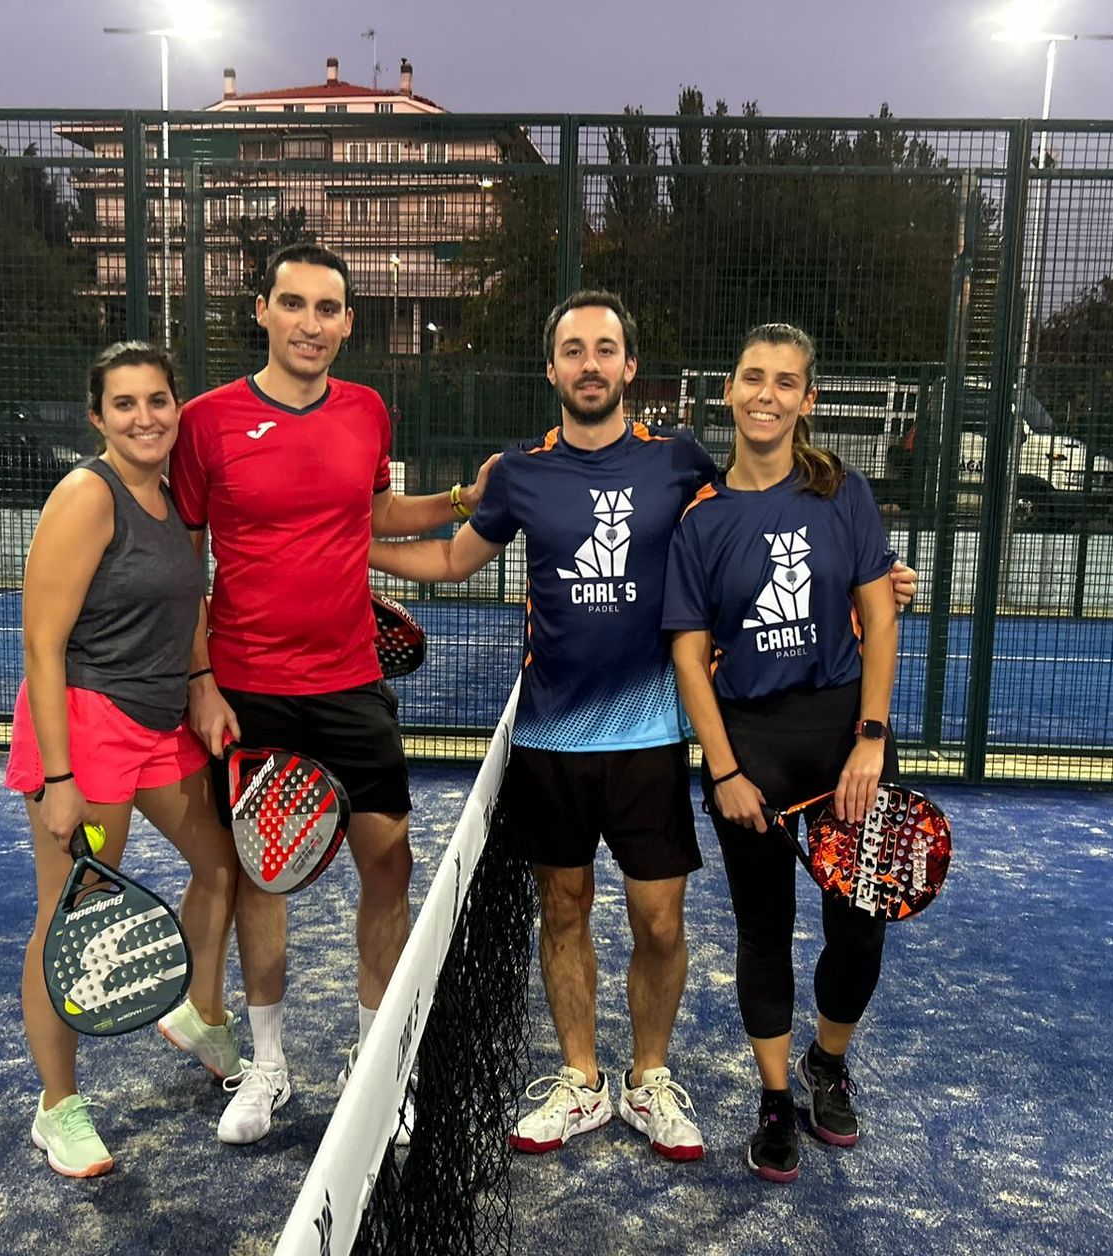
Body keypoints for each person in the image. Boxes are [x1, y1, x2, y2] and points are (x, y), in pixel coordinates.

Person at [370, 291, 917, 1165]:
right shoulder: (518, 472)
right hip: (550, 738)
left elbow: (773, 513)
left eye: (607, 349)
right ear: (551, 368)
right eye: (573, 351)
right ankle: (582, 1079)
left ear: (630, 367)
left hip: (654, 734)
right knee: (564, 908)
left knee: (662, 924)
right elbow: (446, 556)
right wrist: (338, 540)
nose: (590, 364)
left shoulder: (683, 463)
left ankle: (650, 1078)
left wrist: (883, 578)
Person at [164, 242, 482, 1145]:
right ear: (261, 310)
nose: (312, 323)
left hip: (351, 682)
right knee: (265, 876)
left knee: (389, 861)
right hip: (250, 688)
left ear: (348, 321)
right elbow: (187, 564)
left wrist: (463, 497)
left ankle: (373, 1061)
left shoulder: (368, 411)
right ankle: (267, 1067)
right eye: (295, 304)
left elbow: (375, 516)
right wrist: (198, 679)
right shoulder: (207, 422)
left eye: (330, 308)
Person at [663, 323, 900, 1184]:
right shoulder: (701, 522)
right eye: (753, 377)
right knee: (765, 931)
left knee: (859, 927)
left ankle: (826, 1063)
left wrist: (870, 740)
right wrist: (723, 769)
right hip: (749, 743)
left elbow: (880, 619)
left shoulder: (845, 495)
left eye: (786, 381)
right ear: (728, 391)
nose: (767, 394)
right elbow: (690, 656)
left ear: (807, 398)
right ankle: (773, 1099)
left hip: (846, 736)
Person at [5, 341, 242, 1179]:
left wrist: (204, 683)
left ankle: (201, 1016)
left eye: (158, 400)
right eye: (125, 403)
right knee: (71, 918)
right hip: (84, 726)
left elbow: (190, 607)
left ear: (177, 407)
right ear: (98, 415)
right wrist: (59, 779)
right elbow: (42, 644)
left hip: (159, 722)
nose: (146, 417)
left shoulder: (175, 497)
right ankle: (57, 1107)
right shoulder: (86, 495)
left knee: (223, 866)